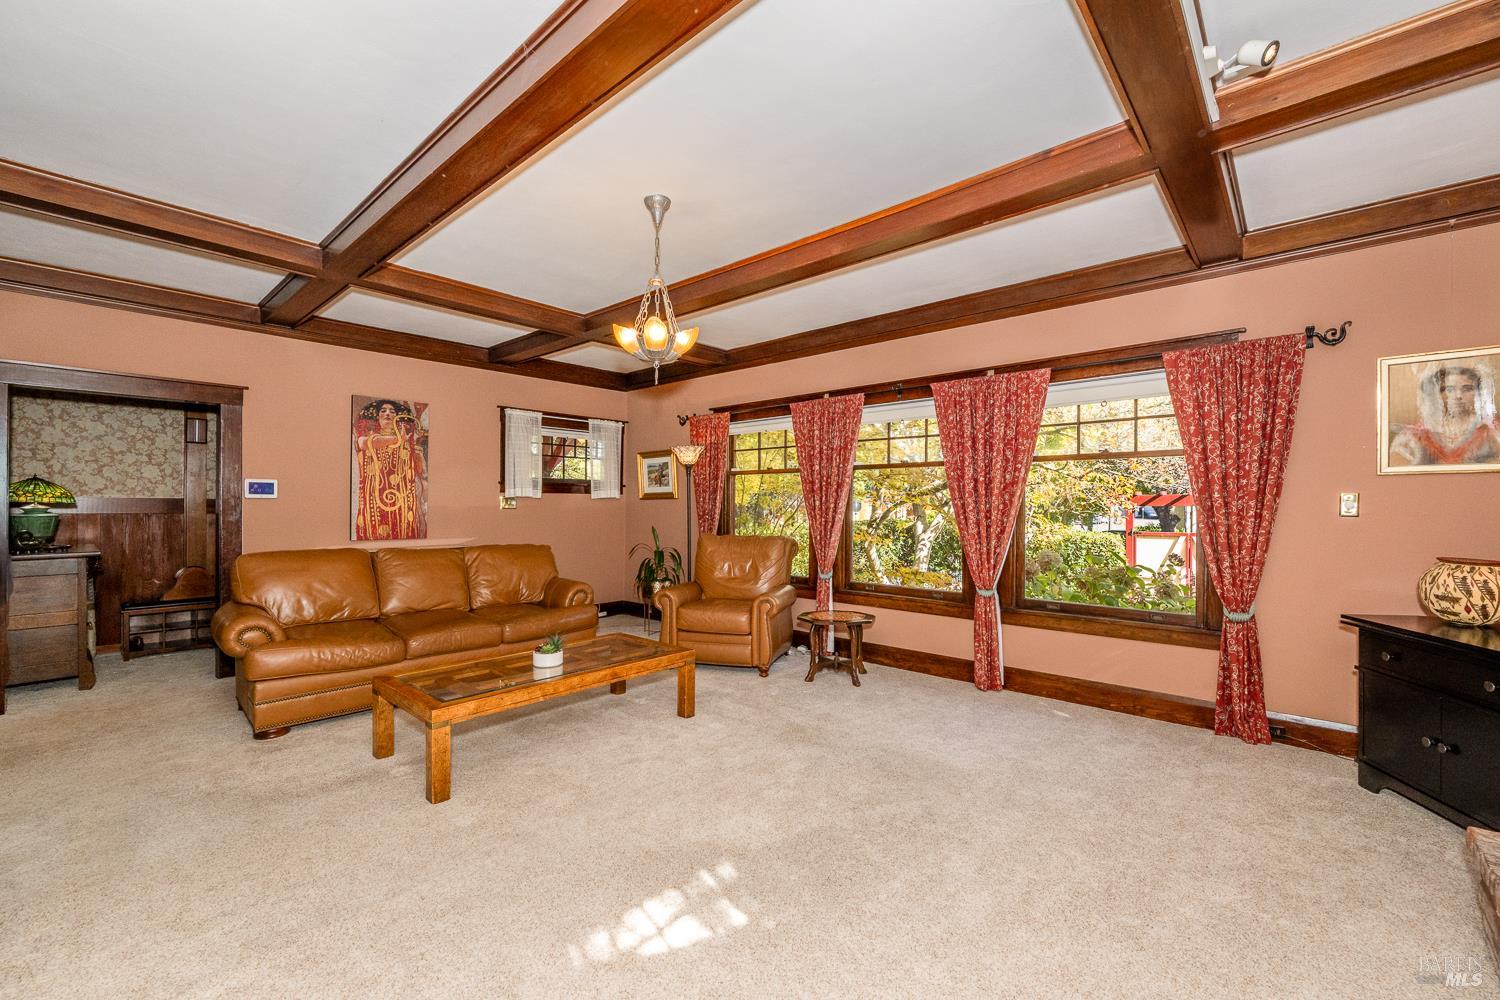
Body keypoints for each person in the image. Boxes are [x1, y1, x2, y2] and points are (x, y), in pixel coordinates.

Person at [1390, 361, 1500, 467]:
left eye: (1467, 389)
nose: (1458, 396)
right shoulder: (1416, 435)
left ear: (1479, 392)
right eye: (1449, 389)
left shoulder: (1492, 430)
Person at [353, 399, 428, 539]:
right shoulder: (368, 438)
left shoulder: (406, 443)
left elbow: (418, 471)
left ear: (396, 417)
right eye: (383, 411)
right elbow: (365, 444)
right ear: (377, 417)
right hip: (375, 500)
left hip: (402, 501)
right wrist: (398, 439)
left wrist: (416, 450)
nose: (388, 413)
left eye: (392, 411)